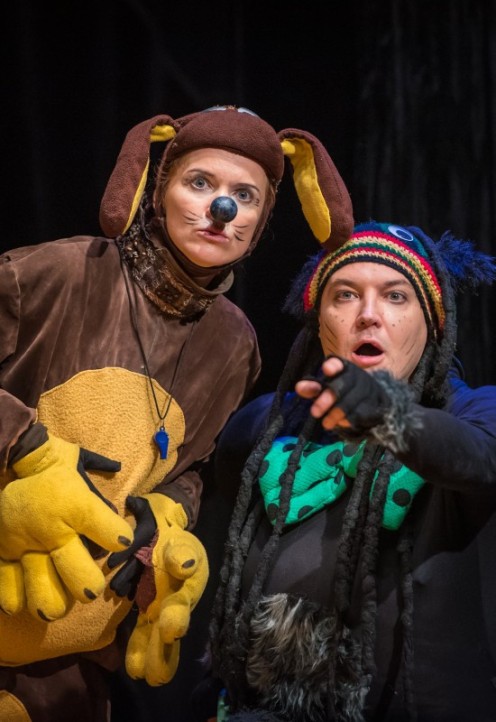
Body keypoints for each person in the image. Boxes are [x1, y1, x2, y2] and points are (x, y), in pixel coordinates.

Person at [0, 105, 353, 722]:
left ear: (260, 221)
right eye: (200, 183)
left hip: (74, 655)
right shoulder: (56, 273)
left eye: (245, 196)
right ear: (158, 190)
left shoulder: (234, 343)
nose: (223, 208)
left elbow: (189, 466)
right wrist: (26, 447)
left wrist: (168, 513)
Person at [203, 220, 496, 722]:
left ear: (433, 322)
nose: (368, 315)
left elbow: (477, 456)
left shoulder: (475, 411)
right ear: (319, 323)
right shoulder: (267, 426)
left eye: (396, 296)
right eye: (345, 295)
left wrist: (389, 414)